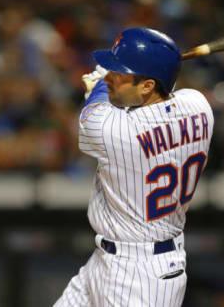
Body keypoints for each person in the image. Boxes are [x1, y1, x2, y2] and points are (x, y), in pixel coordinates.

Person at [54, 28, 214, 307]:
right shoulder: (200, 106)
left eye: (119, 72)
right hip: (107, 261)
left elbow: (99, 109)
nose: (110, 76)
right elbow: (167, 97)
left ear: (148, 86)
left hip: (142, 278)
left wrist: (99, 86)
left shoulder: (112, 131)